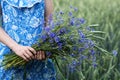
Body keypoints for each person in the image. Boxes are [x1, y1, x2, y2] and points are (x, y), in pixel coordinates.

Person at [0, 0, 56, 80]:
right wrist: (15, 47)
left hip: (38, 62)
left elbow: (50, 22)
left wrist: (45, 46)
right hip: (9, 56)